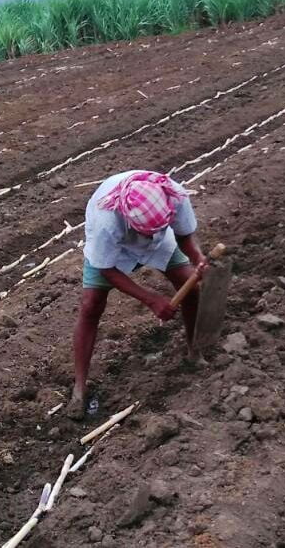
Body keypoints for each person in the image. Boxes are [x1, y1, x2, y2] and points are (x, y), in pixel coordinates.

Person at [68, 170, 208, 420]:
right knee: (91, 305)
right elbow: (106, 268)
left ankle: (194, 351)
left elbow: (184, 235)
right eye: (144, 232)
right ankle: (79, 389)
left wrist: (197, 257)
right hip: (114, 250)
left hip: (160, 238)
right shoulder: (105, 220)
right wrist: (151, 299)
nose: (148, 236)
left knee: (191, 286)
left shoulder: (173, 196)